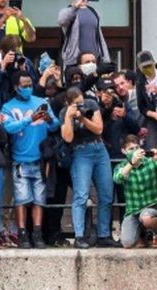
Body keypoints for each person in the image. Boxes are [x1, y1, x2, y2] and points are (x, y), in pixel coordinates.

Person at [2, 72, 59, 248]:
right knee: (21, 200)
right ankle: (23, 235)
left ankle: (37, 234)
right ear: (15, 87)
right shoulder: (7, 107)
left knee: (39, 200)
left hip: (41, 161)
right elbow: (9, 127)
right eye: (24, 85)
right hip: (20, 161)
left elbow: (56, 125)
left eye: (30, 85)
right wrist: (30, 118)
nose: (28, 88)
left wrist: (49, 119)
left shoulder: (42, 102)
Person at [61, 86, 115, 248]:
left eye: (81, 101)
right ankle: (79, 236)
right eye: (77, 104)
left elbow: (99, 129)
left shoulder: (91, 104)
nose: (81, 105)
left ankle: (104, 234)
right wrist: (70, 118)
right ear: (68, 103)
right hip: (80, 152)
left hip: (99, 149)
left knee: (106, 194)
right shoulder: (64, 113)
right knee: (81, 195)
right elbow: (68, 138)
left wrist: (83, 118)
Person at [113, 135, 157, 248]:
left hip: (152, 207)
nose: (135, 151)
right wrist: (131, 164)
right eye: (131, 149)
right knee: (127, 243)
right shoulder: (121, 166)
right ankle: (143, 235)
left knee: (146, 217)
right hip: (133, 211)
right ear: (124, 151)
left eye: (137, 148)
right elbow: (118, 178)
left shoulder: (150, 162)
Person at [0, 35, 38, 107]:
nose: (14, 55)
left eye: (17, 50)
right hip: (0, 103)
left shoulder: (25, 61)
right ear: (2, 51)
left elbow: (34, 86)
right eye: (12, 52)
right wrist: (3, 65)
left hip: (20, 103)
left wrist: (24, 71)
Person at [57, 0, 111, 69]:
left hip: (93, 60)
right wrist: (76, 6)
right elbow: (61, 20)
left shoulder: (93, 12)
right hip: (75, 61)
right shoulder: (68, 11)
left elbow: (100, 38)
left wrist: (106, 60)